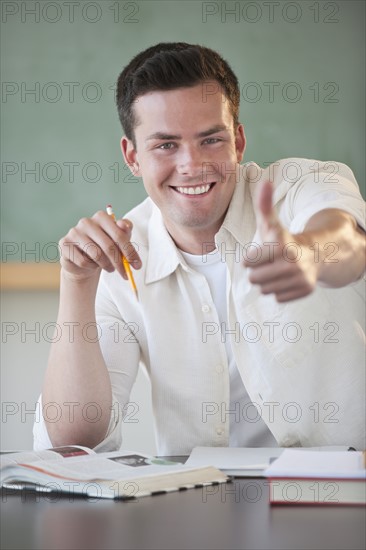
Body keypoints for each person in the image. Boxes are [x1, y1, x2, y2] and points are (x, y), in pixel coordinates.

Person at [34, 43, 365, 454]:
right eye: (166, 145)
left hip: (343, 496)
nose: (191, 165)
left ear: (238, 142)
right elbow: (74, 441)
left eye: (210, 140)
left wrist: (311, 255)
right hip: (199, 505)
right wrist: (76, 283)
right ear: (132, 156)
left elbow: (349, 241)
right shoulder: (121, 255)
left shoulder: (302, 187)